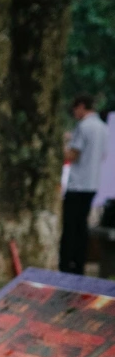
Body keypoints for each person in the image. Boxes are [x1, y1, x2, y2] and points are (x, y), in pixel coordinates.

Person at [61, 93, 109, 274]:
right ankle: (79, 263)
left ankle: (66, 264)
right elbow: (103, 155)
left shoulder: (83, 126)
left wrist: (61, 146)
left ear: (81, 106)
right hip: (92, 183)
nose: (74, 113)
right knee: (82, 225)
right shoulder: (103, 128)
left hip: (77, 184)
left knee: (70, 227)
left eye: (74, 109)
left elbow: (72, 155)